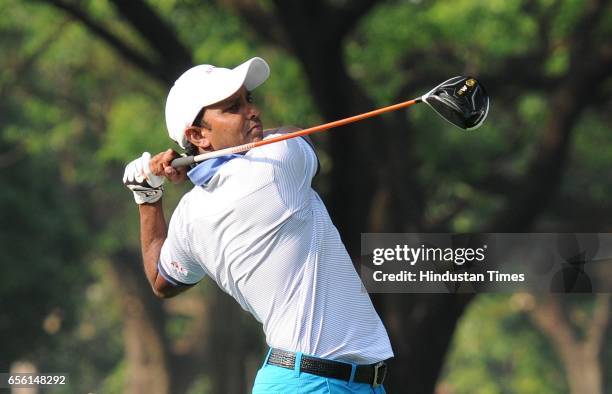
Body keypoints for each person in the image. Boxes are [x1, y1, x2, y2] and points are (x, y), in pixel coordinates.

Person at [123, 57, 393, 393]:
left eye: (248, 99)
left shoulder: (189, 216)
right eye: (233, 107)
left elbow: (161, 279)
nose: (252, 111)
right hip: (313, 383)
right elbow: (298, 135)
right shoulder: (275, 165)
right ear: (197, 134)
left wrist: (147, 196)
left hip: (324, 380)